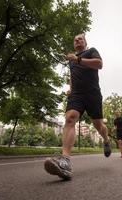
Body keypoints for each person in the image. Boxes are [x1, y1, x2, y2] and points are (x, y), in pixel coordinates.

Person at [44, 33, 111, 180]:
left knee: (99, 125)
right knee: (70, 118)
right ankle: (65, 162)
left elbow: (99, 64)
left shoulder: (91, 51)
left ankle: (106, 140)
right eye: (75, 40)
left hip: (93, 94)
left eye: (80, 39)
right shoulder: (72, 60)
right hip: (77, 95)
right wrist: (71, 89)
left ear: (85, 42)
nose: (77, 41)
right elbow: (73, 75)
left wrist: (78, 59)